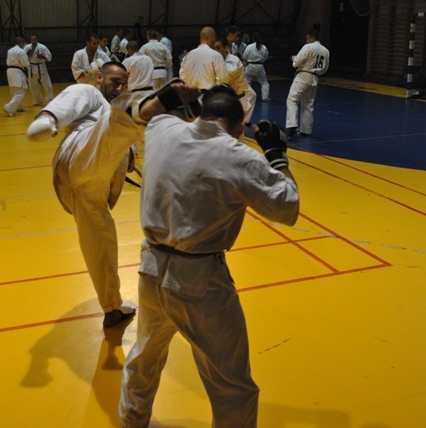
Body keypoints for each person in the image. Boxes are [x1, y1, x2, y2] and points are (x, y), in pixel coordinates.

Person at [119, 85, 300, 427]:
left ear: (200, 113)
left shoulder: (162, 129)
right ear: (240, 126)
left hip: (151, 267)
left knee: (145, 354)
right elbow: (288, 206)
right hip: (199, 280)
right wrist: (276, 153)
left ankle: (132, 419)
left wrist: (178, 98)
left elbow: (147, 112)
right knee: (231, 383)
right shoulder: (240, 157)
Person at [25, 62, 201, 328]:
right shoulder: (93, 95)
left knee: (101, 244)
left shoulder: (114, 117)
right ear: (100, 77)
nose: (119, 87)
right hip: (79, 152)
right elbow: (76, 96)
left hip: (89, 187)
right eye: (115, 81)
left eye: (124, 84)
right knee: (115, 121)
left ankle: (112, 307)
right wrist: (49, 119)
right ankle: (156, 109)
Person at [285, 29, 329, 138]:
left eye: (307, 38)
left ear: (311, 37)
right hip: (314, 78)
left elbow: (297, 62)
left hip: (302, 76)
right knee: (308, 104)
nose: (306, 40)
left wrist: (293, 59)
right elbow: (325, 68)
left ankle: (292, 126)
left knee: (292, 100)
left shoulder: (308, 47)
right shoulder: (326, 51)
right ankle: (306, 130)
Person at [214, 37, 256, 126]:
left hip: (237, 99)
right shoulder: (218, 59)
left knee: (235, 127)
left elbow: (225, 78)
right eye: (214, 48)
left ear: (226, 47)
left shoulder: (233, 60)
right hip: (228, 98)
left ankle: (245, 122)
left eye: (218, 48)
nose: (216, 51)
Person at [25, 33, 54, 106]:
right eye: (32, 40)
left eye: (34, 40)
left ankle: (49, 100)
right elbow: (22, 57)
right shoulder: (27, 47)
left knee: (47, 84)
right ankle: (38, 99)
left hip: (41, 67)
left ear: (37, 39)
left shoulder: (42, 47)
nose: (33, 41)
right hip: (31, 67)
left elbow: (49, 58)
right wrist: (27, 54)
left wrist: (43, 57)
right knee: (32, 86)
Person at [3, 36, 29, 117]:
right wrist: (28, 65)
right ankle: (9, 107)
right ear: (21, 43)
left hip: (9, 70)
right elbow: (25, 63)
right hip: (17, 71)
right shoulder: (21, 51)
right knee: (20, 92)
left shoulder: (10, 50)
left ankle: (18, 106)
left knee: (14, 91)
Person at [242, 32, 270, 102]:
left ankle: (248, 97)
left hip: (250, 66)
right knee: (264, 83)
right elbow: (265, 57)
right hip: (260, 66)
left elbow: (244, 57)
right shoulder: (264, 47)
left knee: (247, 82)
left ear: (252, 39)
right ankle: (265, 97)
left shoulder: (249, 46)